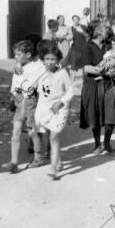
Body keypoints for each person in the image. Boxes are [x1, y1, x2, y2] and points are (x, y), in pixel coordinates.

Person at [5, 40, 47, 173]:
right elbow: (14, 83)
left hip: (31, 102)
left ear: (28, 54)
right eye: (15, 54)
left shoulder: (37, 66)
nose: (15, 57)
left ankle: (38, 155)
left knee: (32, 130)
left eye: (18, 54)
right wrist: (14, 94)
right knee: (15, 131)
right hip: (19, 102)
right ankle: (14, 162)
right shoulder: (18, 67)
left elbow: (35, 85)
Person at [34, 41, 73, 180]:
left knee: (53, 137)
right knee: (50, 135)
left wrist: (61, 102)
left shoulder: (62, 73)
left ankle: (53, 168)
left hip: (60, 109)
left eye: (53, 59)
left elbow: (70, 91)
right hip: (44, 108)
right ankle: (59, 161)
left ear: (58, 60)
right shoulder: (40, 72)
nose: (50, 62)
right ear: (43, 60)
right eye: (47, 59)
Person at [79, 21, 115, 154]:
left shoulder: (109, 45)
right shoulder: (87, 46)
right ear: (99, 31)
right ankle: (97, 144)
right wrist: (105, 72)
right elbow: (87, 69)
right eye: (106, 28)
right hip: (92, 84)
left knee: (110, 113)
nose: (109, 30)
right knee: (95, 115)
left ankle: (107, 143)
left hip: (109, 83)